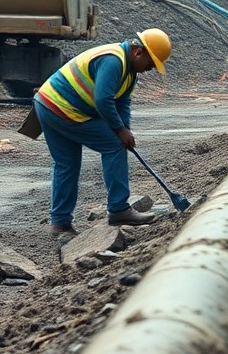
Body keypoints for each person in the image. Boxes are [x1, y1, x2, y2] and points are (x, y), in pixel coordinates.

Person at [34, 28, 173, 237]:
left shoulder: (129, 72)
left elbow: (122, 102)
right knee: (114, 146)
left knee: (67, 164)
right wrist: (119, 132)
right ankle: (119, 209)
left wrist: (125, 130)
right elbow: (103, 100)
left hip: (47, 105)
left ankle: (60, 222)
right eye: (150, 63)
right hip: (62, 108)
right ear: (138, 52)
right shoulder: (113, 61)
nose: (150, 69)